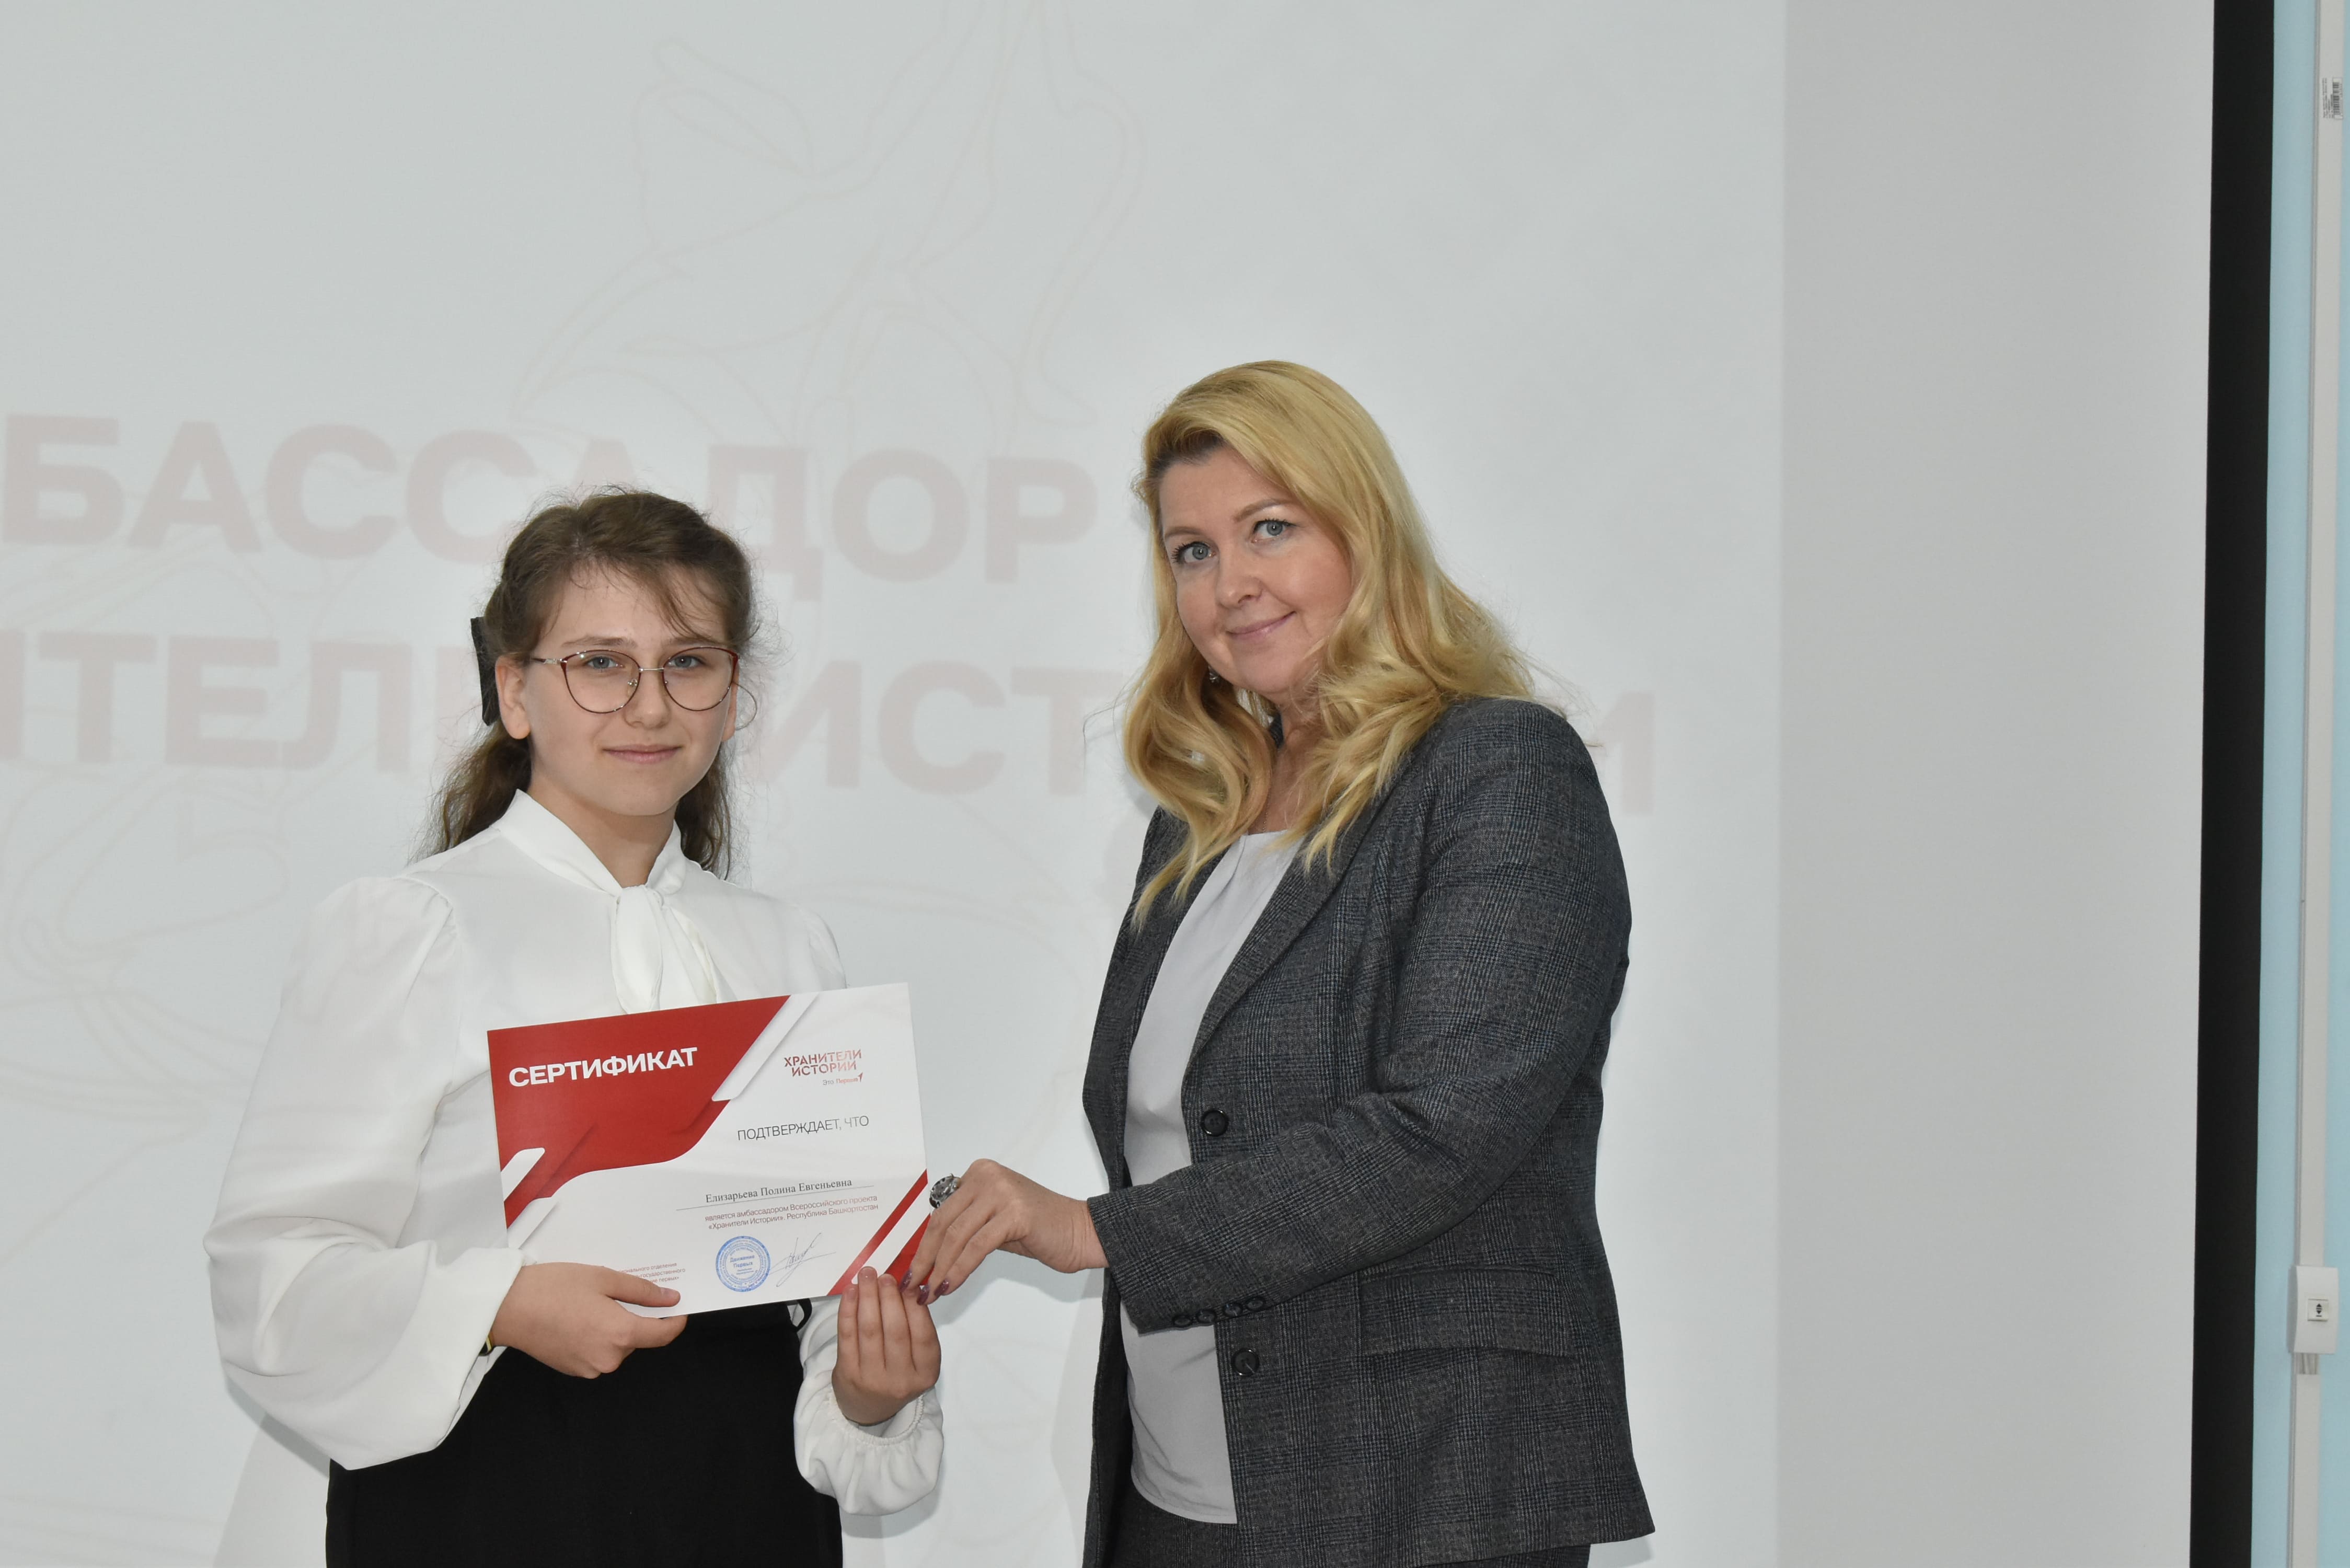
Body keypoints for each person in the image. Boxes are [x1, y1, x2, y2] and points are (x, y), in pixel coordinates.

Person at [908, 363, 1652, 1567]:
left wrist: (1100, 1233)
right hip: (1178, 1488)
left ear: (1366, 533)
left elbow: (1441, 1131)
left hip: (1423, 1493)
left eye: (1270, 529)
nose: (1230, 584)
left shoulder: (1500, 770)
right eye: (1191, 552)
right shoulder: (1197, 821)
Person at [205, 490, 942, 1567]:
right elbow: (272, 1276)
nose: (648, 706)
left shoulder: (791, 950)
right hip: (484, 1500)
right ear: (514, 690)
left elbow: (837, 1280)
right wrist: (501, 1303)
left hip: (747, 1503)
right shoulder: (413, 930)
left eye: (688, 663)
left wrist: (870, 1394)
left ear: (734, 695)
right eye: (600, 664)